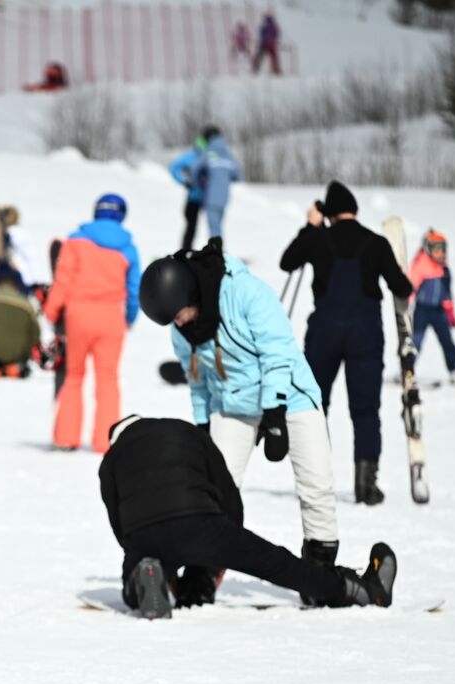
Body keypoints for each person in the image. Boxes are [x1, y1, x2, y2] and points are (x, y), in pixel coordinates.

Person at [139, 240, 342, 595]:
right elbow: (197, 380)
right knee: (213, 492)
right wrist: (202, 425)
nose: (179, 323)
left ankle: (318, 571)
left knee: (316, 485)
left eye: (179, 313)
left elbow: (278, 352)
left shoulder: (246, 292)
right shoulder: (182, 327)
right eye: (172, 319)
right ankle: (203, 574)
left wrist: (276, 412)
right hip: (233, 404)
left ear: (189, 292)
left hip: (291, 396)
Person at [99, 415, 396, 619]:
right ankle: (354, 590)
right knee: (277, 563)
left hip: (144, 534)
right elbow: (227, 492)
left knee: (137, 568)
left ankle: (143, 580)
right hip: (201, 521)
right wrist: (224, 550)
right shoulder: (186, 431)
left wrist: (140, 552)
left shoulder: (111, 459)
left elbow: (119, 526)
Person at [280, 181, 413, 505]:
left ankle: (315, 480)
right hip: (366, 333)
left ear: (329, 212)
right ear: (354, 210)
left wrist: (310, 227)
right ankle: (366, 486)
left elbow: (288, 262)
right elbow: (403, 287)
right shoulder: (376, 242)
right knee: (365, 409)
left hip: (324, 331)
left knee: (313, 405)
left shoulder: (318, 239)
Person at [43, 193, 140, 453]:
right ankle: (106, 441)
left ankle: (65, 437)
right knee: (107, 380)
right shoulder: (128, 247)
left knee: (74, 377)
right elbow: (134, 290)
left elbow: (63, 281)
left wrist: (52, 311)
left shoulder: (75, 241)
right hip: (111, 319)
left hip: (78, 316)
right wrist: (130, 317)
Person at [408, 229, 455, 384]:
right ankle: (406, 370)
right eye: (436, 250)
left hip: (439, 311)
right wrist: (406, 304)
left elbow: (446, 294)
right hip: (422, 310)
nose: (440, 254)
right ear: (428, 249)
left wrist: (450, 314)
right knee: (416, 341)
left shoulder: (444, 270)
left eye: (443, 250)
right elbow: (411, 287)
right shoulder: (421, 264)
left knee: (447, 341)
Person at [0, 205, 43, 296]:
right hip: (0, 286)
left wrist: (34, 283)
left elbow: (31, 258)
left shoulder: (14, 234)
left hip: (22, 285)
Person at [168, 130, 210, 251]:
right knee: (191, 225)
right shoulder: (192, 156)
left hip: (210, 198)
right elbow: (174, 167)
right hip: (194, 198)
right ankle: (186, 250)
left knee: (211, 226)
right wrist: (184, 181)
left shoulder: (213, 155)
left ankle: (213, 251)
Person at [197, 126, 240, 242]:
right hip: (224, 196)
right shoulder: (227, 153)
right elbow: (237, 175)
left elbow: (195, 169)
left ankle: (216, 254)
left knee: (214, 228)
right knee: (218, 227)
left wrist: (199, 182)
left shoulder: (209, 151)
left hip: (211, 196)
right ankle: (218, 251)